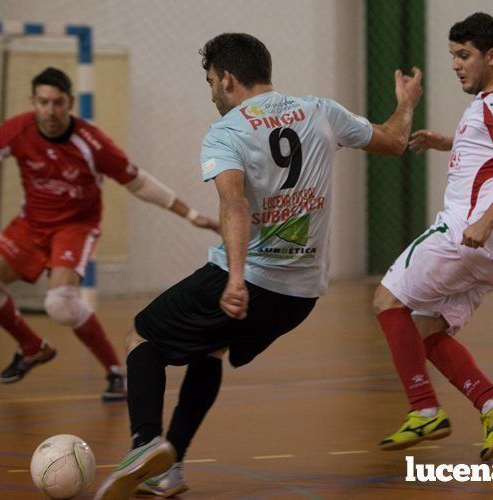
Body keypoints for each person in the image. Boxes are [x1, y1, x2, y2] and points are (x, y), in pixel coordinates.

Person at [95, 33, 422, 499]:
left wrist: (233, 278)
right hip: (301, 296)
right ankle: (169, 470)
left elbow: (233, 203)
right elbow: (393, 141)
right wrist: (406, 103)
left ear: (227, 79)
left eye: (210, 82)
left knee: (142, 337)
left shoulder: (227, 132)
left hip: (251, 279)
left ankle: (144, 443)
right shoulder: (321, 110)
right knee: (208, 349)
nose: (210, 93)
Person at [0, 67, 218, 401]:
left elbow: (138, 183)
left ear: (69, 103)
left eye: (57, 102)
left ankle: (115, 370)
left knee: (59, 304)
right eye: (43, 102)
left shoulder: (91, 142)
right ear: (32, 102)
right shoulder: (17, 130)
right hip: (30, 225)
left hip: (75, 226)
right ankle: (33, 348)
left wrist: (190, 214)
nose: (50, 110)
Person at [373, 12, 493, 461]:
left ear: (492, 55)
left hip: (464, 236)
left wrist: (483, 223)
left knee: (387, 301)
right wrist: (450, 142)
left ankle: (424, 409)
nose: (456, 65)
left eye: (464, 55)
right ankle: (491, 401)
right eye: (453, 56)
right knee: (424, 330)